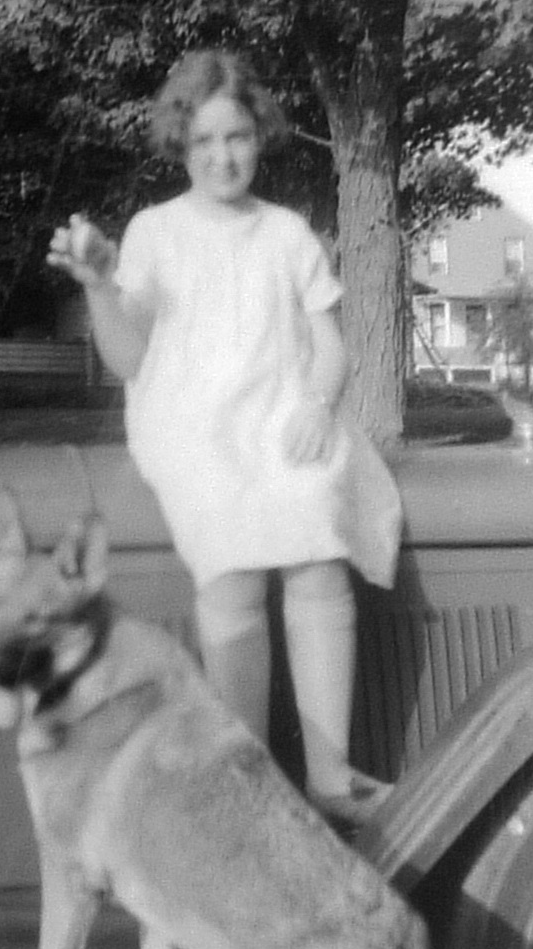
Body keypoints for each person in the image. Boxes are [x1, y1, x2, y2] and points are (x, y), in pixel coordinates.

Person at [47, 49, 402, 823]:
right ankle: (251, 775)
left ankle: (330, 774)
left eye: (237, 136)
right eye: (204, 141)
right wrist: (99, 286)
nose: (222, 156)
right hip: (190, 424)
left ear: (259, 136)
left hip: (282, 412)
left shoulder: (286, 233)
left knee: (317, 547)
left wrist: (318, 404)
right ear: (181, 143)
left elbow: (331, 346)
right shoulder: (154, 231)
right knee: (234, 567)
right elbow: (129, 360)